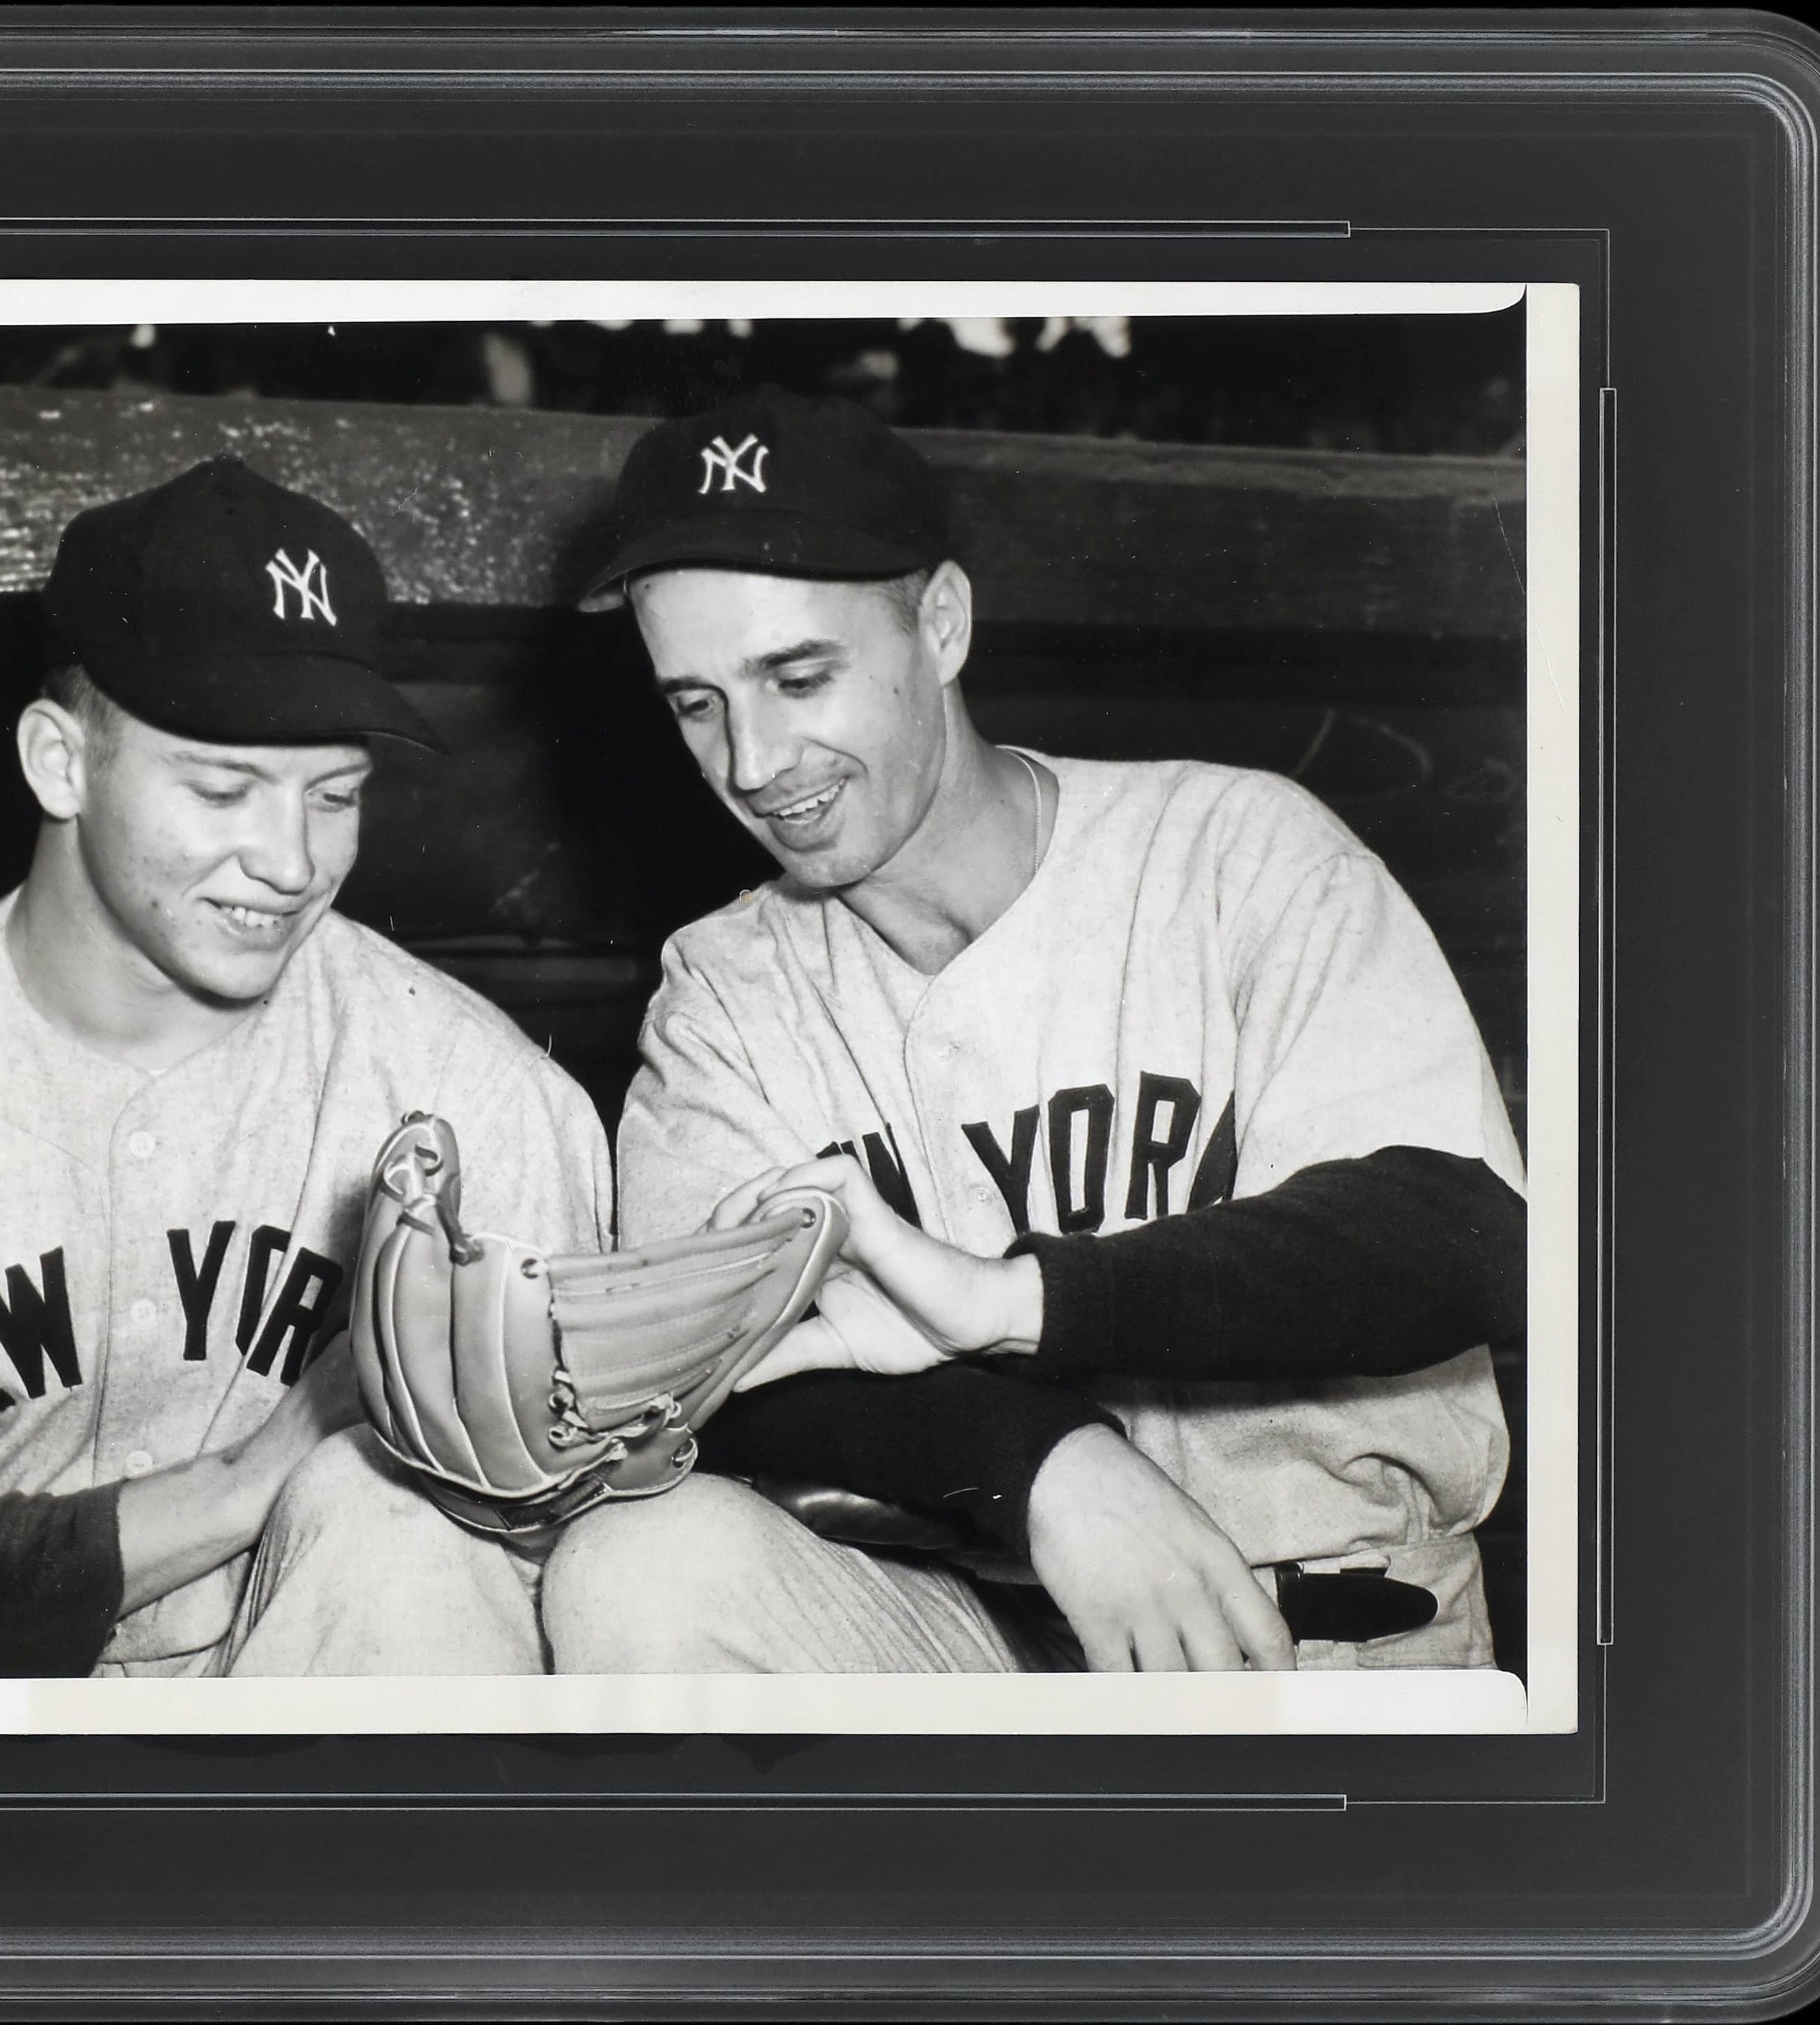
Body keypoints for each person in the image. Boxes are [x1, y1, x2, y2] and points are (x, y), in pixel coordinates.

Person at [571, 388, 1525, 1672]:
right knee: (638, 1564)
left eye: (799, 676)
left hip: (1346, 1629)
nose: (752, 760)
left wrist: (1021, 1304)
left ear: (944, 624)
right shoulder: (729, 989)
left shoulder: (1235, 851)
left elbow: (1455, 1232)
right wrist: (1050, 1469)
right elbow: (714, 1380)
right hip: (988, 1639)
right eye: (696, 703)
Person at [0, 458, 609, 1679]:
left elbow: (555, 1550)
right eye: (223, 787)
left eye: (336, 794)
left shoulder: (478, 1089)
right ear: (61, 763)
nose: (291, 860)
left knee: (393, 1528)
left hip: (343, 1723)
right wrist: (275, 1460)